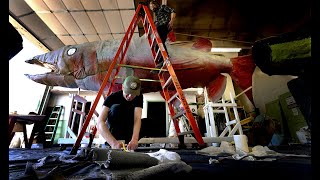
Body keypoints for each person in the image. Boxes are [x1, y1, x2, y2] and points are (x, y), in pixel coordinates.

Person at [96, 76, 143, 150]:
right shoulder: (111, 98)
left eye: (133, 94)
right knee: (117, 108)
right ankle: (115, 141)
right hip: (115, 132)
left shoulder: (139, 96)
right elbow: (99, 122)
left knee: (148, 121)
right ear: (123, 87)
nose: (130, 96)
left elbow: (137, 118)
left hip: (128, 130)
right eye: (128, 93)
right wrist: (113, 143)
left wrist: (135, 139)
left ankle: (130, 140)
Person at [149, 0, 176, 73]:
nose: (151, 8)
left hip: (163, 26)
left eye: (152, 6)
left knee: (160, 43)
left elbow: (173, 10)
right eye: (150, 7)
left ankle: (164, 59)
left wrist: (172, 21)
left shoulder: (162, 7)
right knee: (157, 46)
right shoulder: (156, 14)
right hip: (160, 26)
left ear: (155, 4)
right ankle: (161, 62)